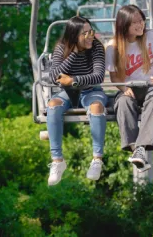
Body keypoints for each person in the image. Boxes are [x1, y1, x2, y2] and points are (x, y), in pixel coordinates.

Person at [106, 5, 153, 171]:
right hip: (130, 88)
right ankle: (136, 148)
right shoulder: (113, 46)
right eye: (135, 22)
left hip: (152, 85)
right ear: (124, 25)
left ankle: (140, 149)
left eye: (141, 20)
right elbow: (114, 77)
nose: (140, 25)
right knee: (122, 103)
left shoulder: (151, 36)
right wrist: (122, 88)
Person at [45, 16, 108, 185]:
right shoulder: (61, 48)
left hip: (91, 91)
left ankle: (97, 159)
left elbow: (98, 76)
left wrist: (73, 80)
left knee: (96, 107)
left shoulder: (97, 48)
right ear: (73, 36)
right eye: (84, 33)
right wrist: (74, 53)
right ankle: (58, 161)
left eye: (91, 32)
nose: (89, 36)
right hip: (67, 93)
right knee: (52, 106)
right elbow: (53, 76)